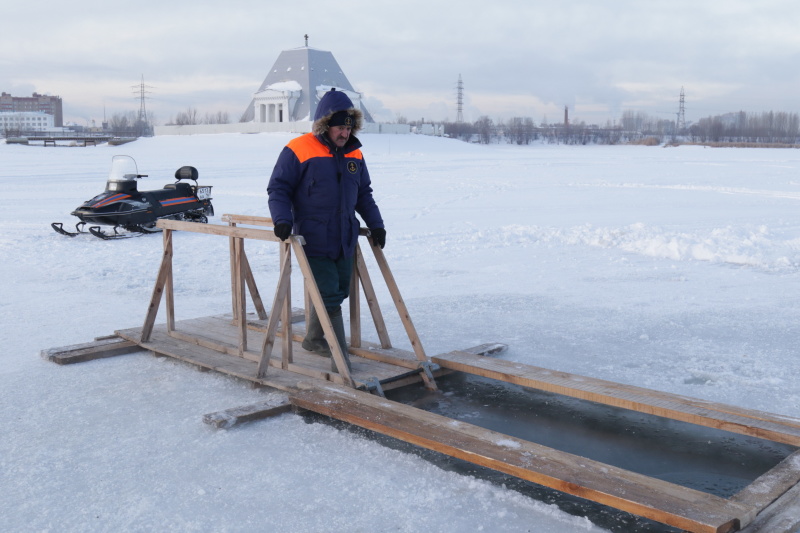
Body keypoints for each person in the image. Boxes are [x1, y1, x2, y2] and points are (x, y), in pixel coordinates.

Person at [267, 89, 386, 373]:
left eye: (348, 127)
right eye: (339, 127)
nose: (344, 133)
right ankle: (339, 357)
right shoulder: (298, 148)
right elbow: (278, 188)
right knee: (329, 296)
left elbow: (364, 195)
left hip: (345, 238)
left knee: (339, 291)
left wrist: (377, 224)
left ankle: (314, 339)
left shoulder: (355, 154)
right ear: (325, 125)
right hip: (313, 237)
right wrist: (281, 219)